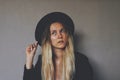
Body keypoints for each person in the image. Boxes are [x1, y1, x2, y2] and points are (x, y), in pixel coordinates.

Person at [23, 12, 93, 80]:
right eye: (54, 33)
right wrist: (29, 59)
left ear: (67, 35)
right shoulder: (42, 62)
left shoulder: (81, 61)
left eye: (62, 31)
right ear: (48, 39)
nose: (60, 36)